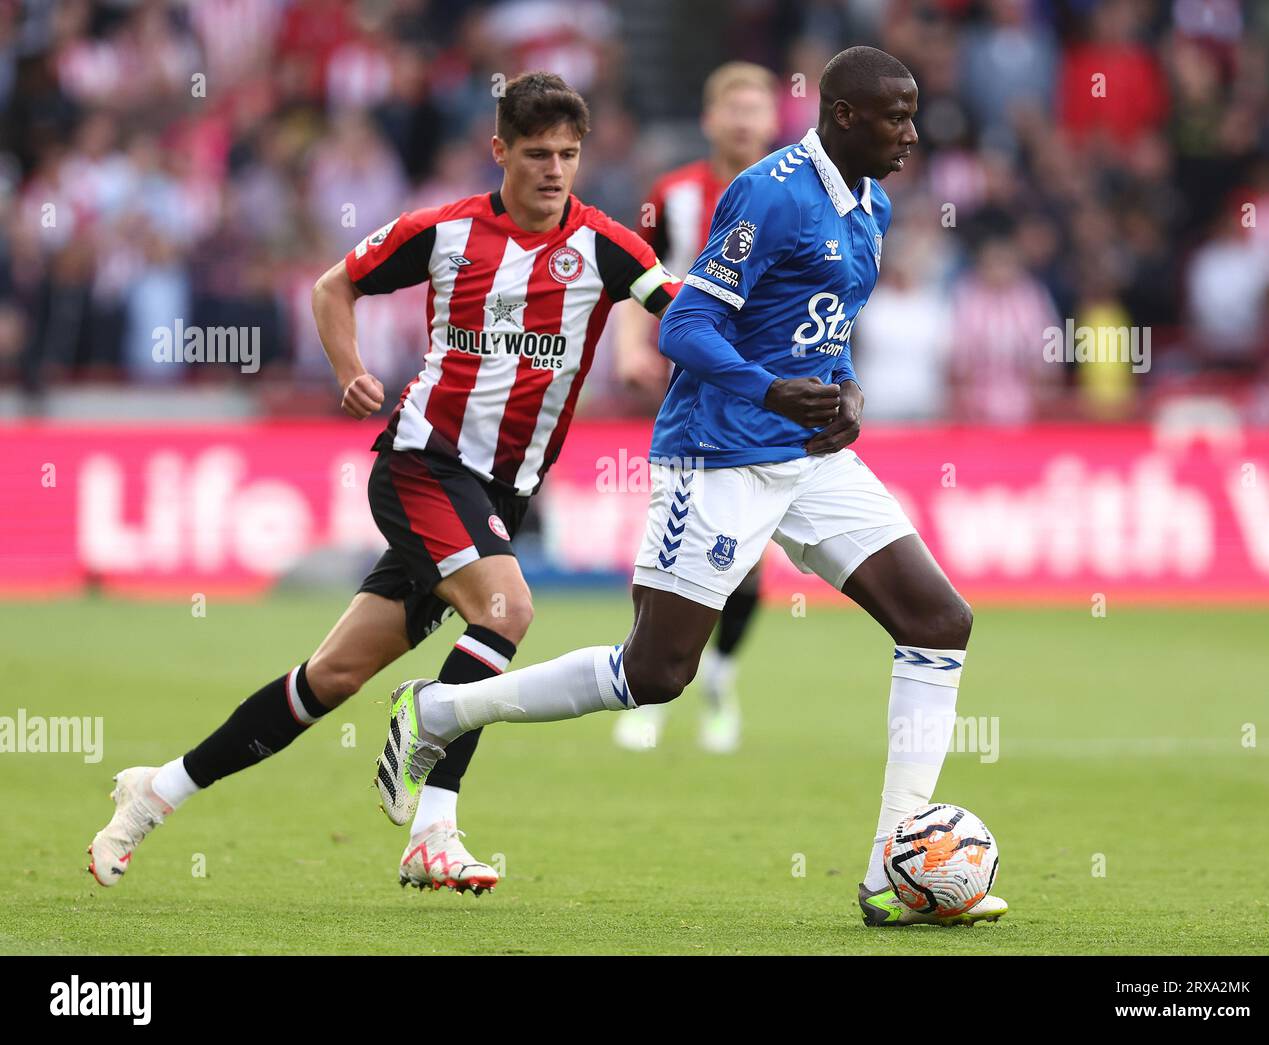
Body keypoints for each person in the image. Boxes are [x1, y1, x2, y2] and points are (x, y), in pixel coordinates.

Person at [374, 46, 1008, 927]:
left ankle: (893, 871)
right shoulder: (770, 193)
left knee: (939, 621)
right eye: (895, 116)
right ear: (843, 117)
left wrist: (844, 389)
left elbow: (824, 330)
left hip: (811, 457)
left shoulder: (873, 202)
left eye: (913, 113)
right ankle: (441, 707)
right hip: (716, 454)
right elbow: (690, 326)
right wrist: (767, 387)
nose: (912, 132)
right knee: (655, 671)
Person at [87, 72, 680, 896]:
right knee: (507, 607)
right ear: (499, 149)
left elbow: (678, 310)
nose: (554, 170)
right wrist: (350, 368)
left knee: (328, 678)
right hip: (423, 464)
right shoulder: (443, 233)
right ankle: (435, 825)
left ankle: (152, 794)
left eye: (569, 155)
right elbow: (336, 286)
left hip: (500, 493)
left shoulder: (610, 247)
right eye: (538, 153)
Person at [613, 61, 780, 755]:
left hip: (768, 396)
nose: (744, 119)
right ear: (710, 119)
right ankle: (646, 688)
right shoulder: (673, 193)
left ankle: (717, 675)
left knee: (745, 561)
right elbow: (634, 275)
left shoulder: (798, 192)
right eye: (732, 106)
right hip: (691, 395)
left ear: (774, 120)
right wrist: (629, 349)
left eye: (756, 107)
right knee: (666, 548)